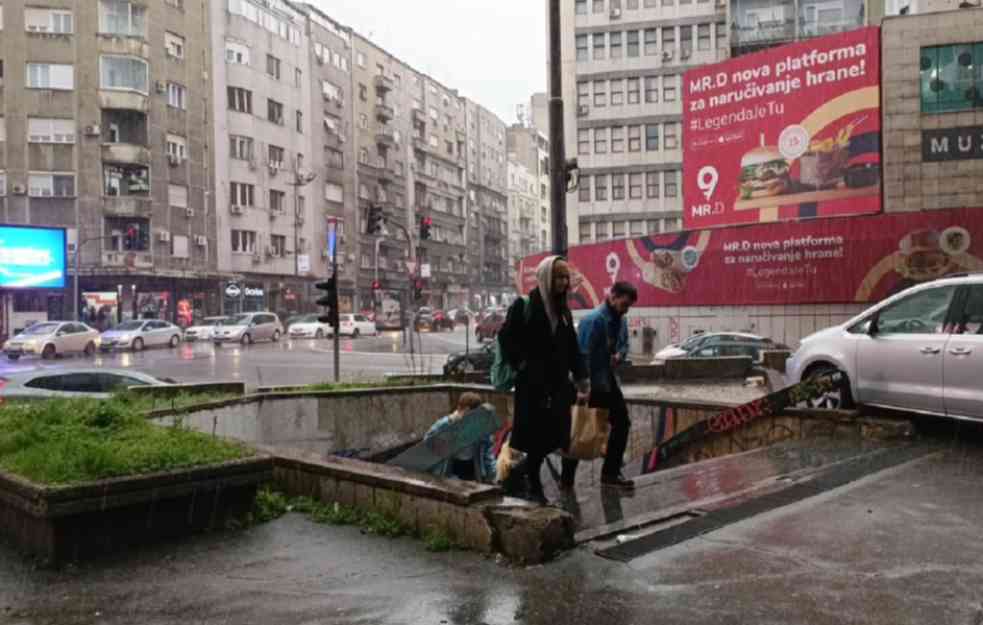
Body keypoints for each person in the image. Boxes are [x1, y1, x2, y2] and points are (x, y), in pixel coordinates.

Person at [499, 256, 590, 504]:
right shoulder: (524, 305)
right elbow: (506, 338)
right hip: (533, 386)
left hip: (560, 385)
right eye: (558, 277)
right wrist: (522, 365)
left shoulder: (563, 312)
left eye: (565, 277)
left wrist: (582, 379)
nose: (563, 282)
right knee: (536, 439)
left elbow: (572, 348)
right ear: (545, 278)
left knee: (565, 436)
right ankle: (534, 485)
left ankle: (526, 474)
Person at [562, 281, 638, 491]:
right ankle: (566, 480)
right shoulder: (593, 320)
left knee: (622, 423)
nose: (626, 309)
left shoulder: (620, 320)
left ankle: (610, 474)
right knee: (578, 428)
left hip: (607, 378)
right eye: (623, 304)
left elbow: (623, 346)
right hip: (589, 381)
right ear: (612, 296)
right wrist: (582, 388)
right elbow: (582, 355)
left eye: (628, 306)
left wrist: (618, 356)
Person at [423, 392, 496, 483]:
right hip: (450, 469)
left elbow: (487, 452)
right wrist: (449, 422)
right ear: (460, 410)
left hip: (473, 471)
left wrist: (492, 475)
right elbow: (427, 440)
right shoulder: (447, 423)